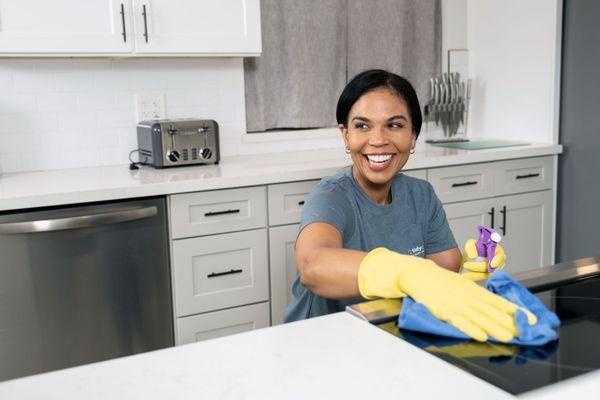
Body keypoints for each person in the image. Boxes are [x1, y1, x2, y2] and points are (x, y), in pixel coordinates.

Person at [283, 69, 535, 342]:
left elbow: (444, 270)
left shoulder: (421, 195)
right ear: (345, 135)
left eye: (394, 125)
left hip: (391, 338)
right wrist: (406, 272)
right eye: (362, 125)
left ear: (413, 135)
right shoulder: (331, 196)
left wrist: (472, 272)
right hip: (322, 344)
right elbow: (313, 266)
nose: (378, 140)